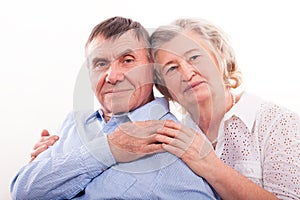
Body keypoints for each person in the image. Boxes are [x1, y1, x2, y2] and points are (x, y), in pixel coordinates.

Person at [10, 17, 219, 199]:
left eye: (127, 60)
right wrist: (108, 149)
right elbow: (23, 191)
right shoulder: (73, 123)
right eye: (100, 64)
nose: (112, 77)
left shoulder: (175, 142)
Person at [149, 18, 300, 199]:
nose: (187, 74)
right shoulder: (171, 139)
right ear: (165, 88)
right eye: (172, 68)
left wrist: (209, 164)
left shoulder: (278, 124)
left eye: (195, 57)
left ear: (221, 57)